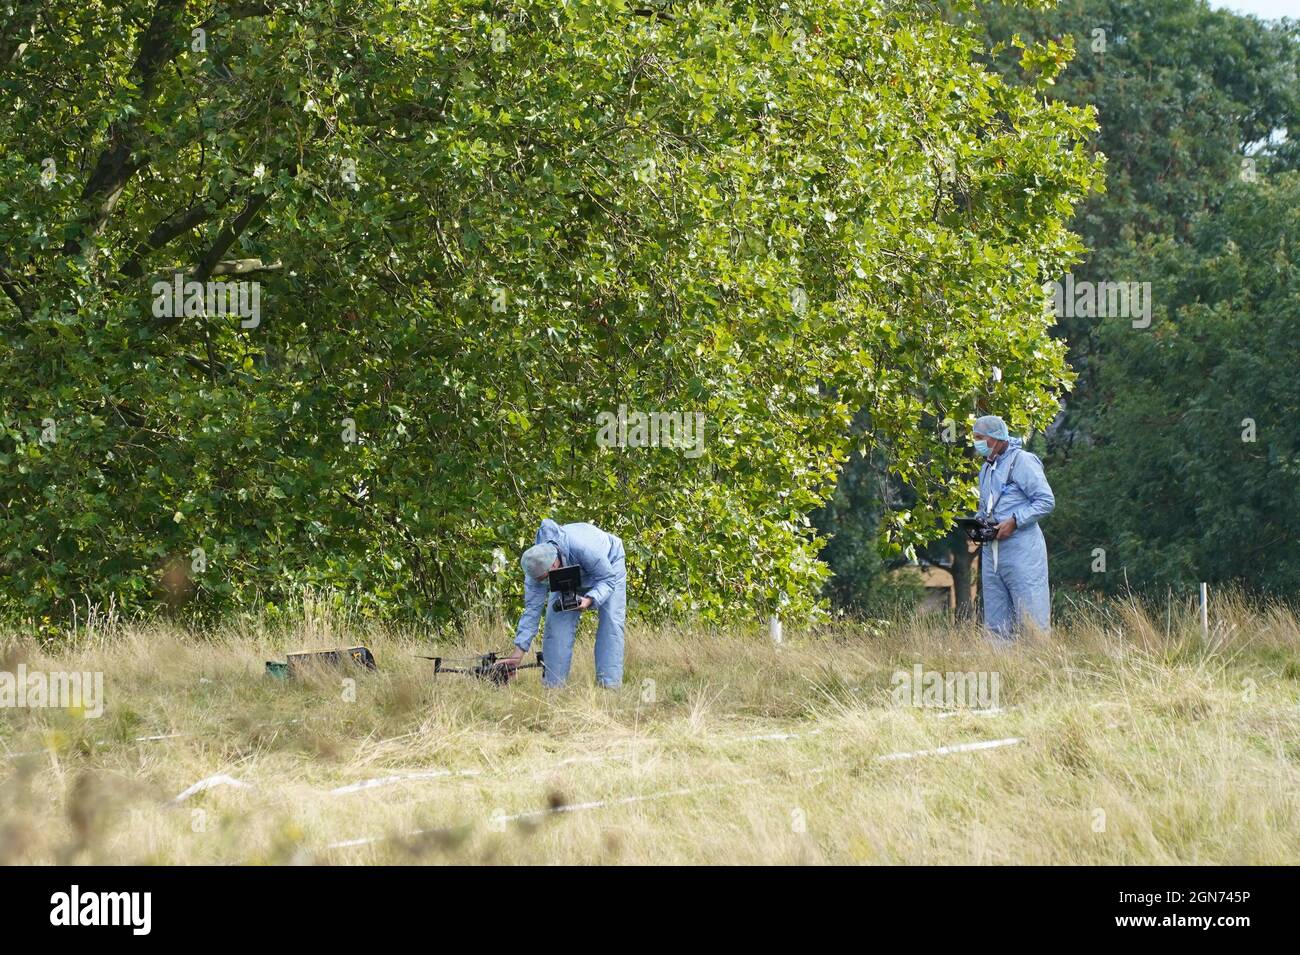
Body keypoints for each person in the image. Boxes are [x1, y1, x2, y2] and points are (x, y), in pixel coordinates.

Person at [501, 519, 626, 687]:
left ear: (554, 564)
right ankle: (553, 688)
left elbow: (608, 579)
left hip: (608, 566)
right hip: (567, 573)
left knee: (611, 624)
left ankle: (608, 687)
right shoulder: (535, 566)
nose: (543, 583)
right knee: (555, 629)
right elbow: (532, 610)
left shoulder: (583, 548)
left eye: (545, 579)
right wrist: (517, 656)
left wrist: (588, 600)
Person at [972, 415, 1055, 637]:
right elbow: (986, 507)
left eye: (980, 438)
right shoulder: (986, 469)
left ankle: (1039, 669)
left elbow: (1046, 501)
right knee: (996, 627)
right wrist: (977, 522)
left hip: (1022, 552)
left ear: (997, 438)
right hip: (992, 555)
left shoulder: (1023, 461)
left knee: (1032, 623)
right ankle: (1003, 670)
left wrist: (1015, 521)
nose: (976, 443)